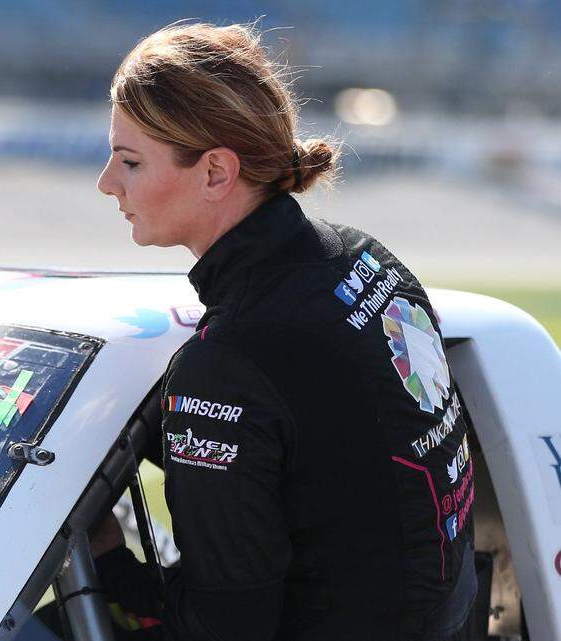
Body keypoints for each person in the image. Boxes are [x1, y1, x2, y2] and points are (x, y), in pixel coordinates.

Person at [90, 22, 478, 641]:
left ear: (216, 172)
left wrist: (107, 559)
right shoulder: (368, 260)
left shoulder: (230, 359)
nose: (107, 183)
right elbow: (336, 458)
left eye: (130, 161)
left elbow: (224, 624)